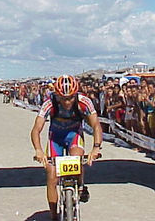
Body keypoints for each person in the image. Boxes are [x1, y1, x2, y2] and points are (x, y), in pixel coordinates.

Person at [31, 75, 102, 220]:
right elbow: (36, 129)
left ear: (76, 94)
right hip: (55, 138)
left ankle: (80, 186)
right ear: (57, 95)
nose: (67, 102)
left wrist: (96, 147)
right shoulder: (49, 103)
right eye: (63, 98)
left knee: (77, 157)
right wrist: (38, 150)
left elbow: (96, 125)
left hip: (74, 135)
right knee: (51, 175)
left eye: (70, 98)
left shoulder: (84, 102)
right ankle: (53, 216)